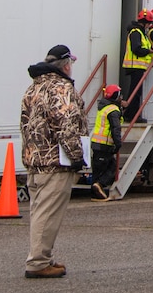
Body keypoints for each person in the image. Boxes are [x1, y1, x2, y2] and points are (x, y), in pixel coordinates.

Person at [20, 44, 85, 278]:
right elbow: (66, 125)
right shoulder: (60, 88)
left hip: (35, 159)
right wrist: (77, 157)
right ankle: (38, 262)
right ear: (66, 65)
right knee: (47, 214)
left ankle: (43, 256)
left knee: (39, 212)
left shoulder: (34, 87)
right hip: (55, 161)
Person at [89, 84, 124, 199]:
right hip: (105, 144)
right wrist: (118, 143)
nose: (121, 98)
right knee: (112, 167)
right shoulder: (113, 110)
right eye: (119, 95)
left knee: (98, 169)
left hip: (96, 143)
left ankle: (96, 191)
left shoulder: (103, 107)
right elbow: (115, 128)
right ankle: (99, 185)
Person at [122, 10, 153, 122]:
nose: (150, 26)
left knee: (136, 91)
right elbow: (136, 49)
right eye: (149, 23)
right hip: (135, 66)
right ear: (145, 23)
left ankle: (130, 114)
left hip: (138, 66)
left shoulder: (140, 33)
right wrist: (148, 51)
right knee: (135, 92)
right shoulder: (136, 32)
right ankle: (132, 116)